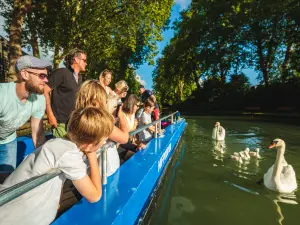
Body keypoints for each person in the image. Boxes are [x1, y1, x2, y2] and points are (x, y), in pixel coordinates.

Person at [0, 107, 114, 225]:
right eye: (103, 141)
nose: (104, 143)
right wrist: (92, 156)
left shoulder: (61, 145)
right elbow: (94, 196)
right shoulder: (68, 154)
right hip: (12, 217)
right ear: (89, 145)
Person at [0, 55, 51, 172]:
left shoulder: (39, 99)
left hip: (8, 140)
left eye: (46, 76)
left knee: (6, 180)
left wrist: (45, 162)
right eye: (41, 76)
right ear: (24, 74)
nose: (46, 80)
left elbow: (37, 134)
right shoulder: (2, 95)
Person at [44, 48, 87, 138]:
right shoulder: (61, 73)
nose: (86, 63)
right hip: (60, 123)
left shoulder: (79, 78)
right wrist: (50, 115)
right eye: (84, 60)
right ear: (76, 60)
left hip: (73, 123)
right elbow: (44, 91)